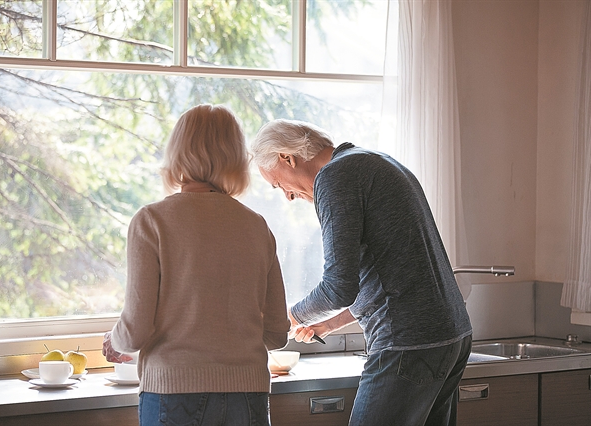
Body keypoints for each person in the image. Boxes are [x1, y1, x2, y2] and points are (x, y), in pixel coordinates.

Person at [250, 119, 472, 426]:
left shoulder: (334, 177)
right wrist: (329, 324)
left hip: (409, 343)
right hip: (450, 335)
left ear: (287, 158)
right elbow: (391, 275)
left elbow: (338, 287)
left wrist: (287, 318)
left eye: (278, 184)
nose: (286, 196)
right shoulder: (374, 161)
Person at [103, 104, 290, 426]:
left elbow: (134, 333)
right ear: (236, 157)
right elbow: (276, 334)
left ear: (176, 152)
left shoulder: (152, 221)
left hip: (173, 393)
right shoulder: (256, 225)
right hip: (248, 394)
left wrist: (114, 340)